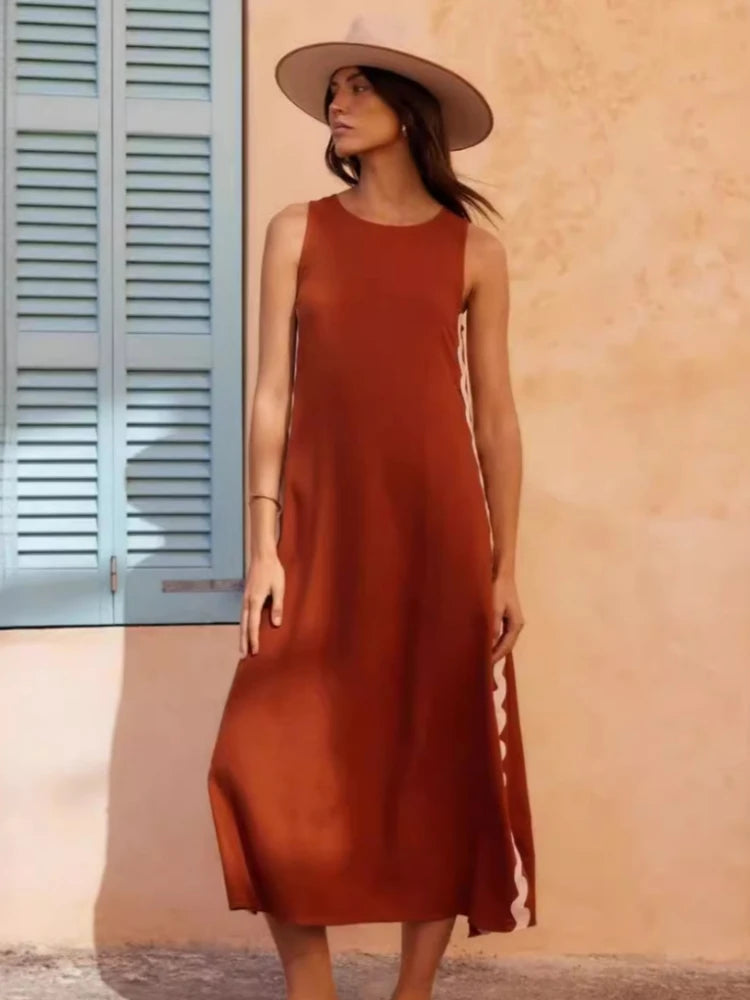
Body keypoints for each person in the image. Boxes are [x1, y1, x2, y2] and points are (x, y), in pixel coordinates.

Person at [207, 15, 536, 1000]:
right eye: (333, 89)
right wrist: (264, 544)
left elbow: (496, 416)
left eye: (357, 86)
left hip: (439, 532)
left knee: (437, 757)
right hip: (321, 528)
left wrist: (506, 565)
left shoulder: (473, 251)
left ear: (409, 109)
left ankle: (411, 991)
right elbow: (271, 395)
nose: (336, 104)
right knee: (262, 752)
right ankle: (311, 989)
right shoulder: (298, 230)